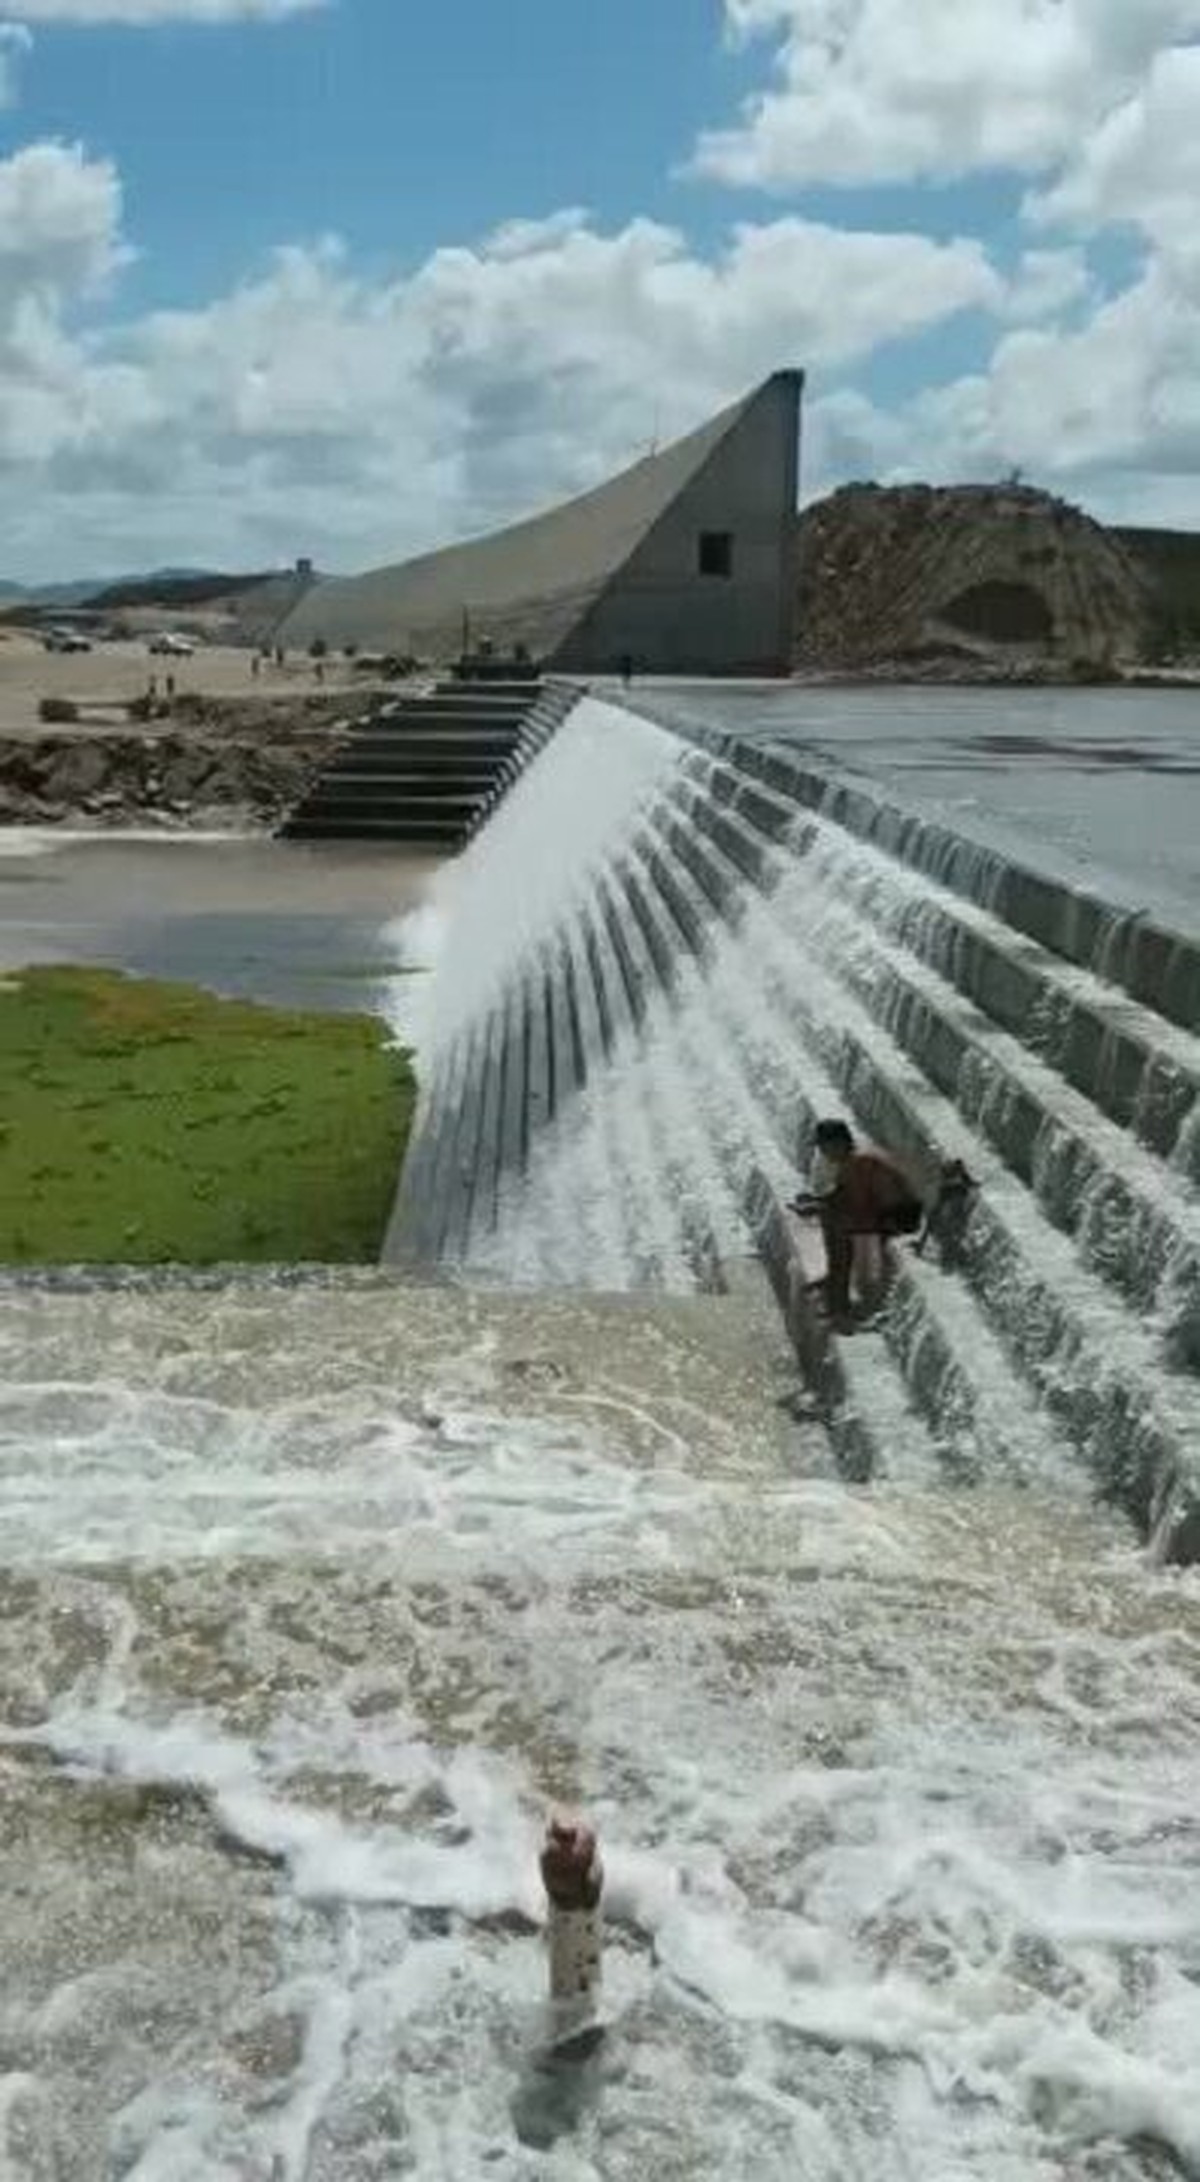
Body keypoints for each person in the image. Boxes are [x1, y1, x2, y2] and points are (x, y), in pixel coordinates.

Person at [791, 1118, 924, 1326]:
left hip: (900, 1217)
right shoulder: (853, 1158)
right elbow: (843, 1196)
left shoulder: (859, 1162)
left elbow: (858, 1207)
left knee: (836, 1225)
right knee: (830, 1217)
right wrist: (816, 1202)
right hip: (886, 1210)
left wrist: (820, 1208)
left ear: (838, 1143)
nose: (822, 1153)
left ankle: (839, 1301)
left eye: (823, 1146)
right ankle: (835, 1281)